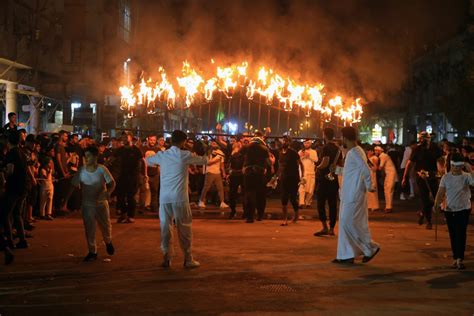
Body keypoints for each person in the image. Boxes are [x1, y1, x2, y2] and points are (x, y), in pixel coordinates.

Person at [146, 130, 208, 268]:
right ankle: (188, 258)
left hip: (165, 197)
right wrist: (199, 149)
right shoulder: (184, 155)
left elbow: (148, 160)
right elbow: (205, 160)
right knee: (184, 227)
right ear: (183, 142)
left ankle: (167, 258)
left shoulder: (163, 155)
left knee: (165, 228)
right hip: (180, 197)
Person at [333, 127, 380, 264]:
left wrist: (370, 186)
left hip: (353, 194)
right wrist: (335, 170)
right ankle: (346, 255)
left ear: (345, 138)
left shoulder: (354, 152)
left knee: (349, 223)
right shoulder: (355, 151)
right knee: (346, 223)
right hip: (349, 193)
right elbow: (350, 171)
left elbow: (366, 169)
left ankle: (370, 248)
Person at [71, 146, 116, 262]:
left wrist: (108, 193)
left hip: (101, 203)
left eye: (89, 156)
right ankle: (92, 251)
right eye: (85, 156)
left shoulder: (102, 169)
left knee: (105, 226)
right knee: (89, 228)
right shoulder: (82, 170)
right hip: (87, 204)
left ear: (95, 157)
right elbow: (73, 185)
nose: (87, 159)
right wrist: (65, 200)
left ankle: (108, 241)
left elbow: (112, 183)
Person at [434, 153, 474, 270]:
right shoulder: (446, 177)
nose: (456, 169)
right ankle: (455, 257)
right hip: (450, 209)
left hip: (464, 209)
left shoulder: (466, 176)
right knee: (453, 234)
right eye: (454, 167)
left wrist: (469, 168)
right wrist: (436, 204)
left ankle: (459, 259)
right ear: (451, 165)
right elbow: (441, 192)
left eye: (459, 167)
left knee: (461, 233)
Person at [402, 131, 442, 229]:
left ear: (429, 138)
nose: (424, 140)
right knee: (425, 198)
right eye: (422, 138)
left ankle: (422, 212)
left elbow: (441, 160)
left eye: (426, 138)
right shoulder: (417, 149)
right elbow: (410, 163)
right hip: (421, 176)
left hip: (433, 175)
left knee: (436, 197)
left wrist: (442, 172)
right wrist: (405, 177)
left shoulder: (435, 147)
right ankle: (428, 221)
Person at [3, 131, 29, 249]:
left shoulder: (12, 153)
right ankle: (22, 239)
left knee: (6, 215)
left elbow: (10, 171)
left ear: (8, 141)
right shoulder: (22, 153)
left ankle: (9, 241)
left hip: (13, 187)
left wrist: (3, 173)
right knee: (17, 214)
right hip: (23, 186)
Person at [115, 132, 146, 223]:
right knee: (120, 196)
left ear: (131, 138)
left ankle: (131, 216)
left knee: (131, 197)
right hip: (121, 177)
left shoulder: (136, 150)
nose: (124, 139)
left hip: (133, 177)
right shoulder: (120, 150)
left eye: (126, 137)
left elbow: (143, 162)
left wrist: (145, 174)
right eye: (123, 137)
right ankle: (123, 214)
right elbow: (112, 159)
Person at [240, 133, 272, 223]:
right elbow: (269, 162)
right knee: (260, 194)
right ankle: (260, 215)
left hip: (248, 172)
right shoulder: (264, 148)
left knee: (250, 193)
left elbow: (237, 154)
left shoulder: (247, 147)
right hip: (260, 172)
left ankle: (250, 216)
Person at [314, 128, 340, 236]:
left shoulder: (326, 148)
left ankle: (324, 226)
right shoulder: (337, 148)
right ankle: (332, 228)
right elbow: (340, 163)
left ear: (324, 135)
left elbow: (325, 162)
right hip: (333, 178)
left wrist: (317, 167)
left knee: (320, 203)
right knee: (332, 204)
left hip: (324, 178)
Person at [279, 136, 304, 226]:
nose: (284, 142)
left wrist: (302, 176)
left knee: (293, 198)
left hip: (293, 178)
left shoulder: (293, 153)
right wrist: (277, 176)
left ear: (289, 142)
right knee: (283, 198)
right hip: (283, 178)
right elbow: (281, 165)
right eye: (283, 141)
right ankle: (285, 219)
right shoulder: (281, 153)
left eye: (286, 141)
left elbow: (301, 164)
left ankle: (296, 215)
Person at [198, 140, 229, 209]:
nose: (214, 144)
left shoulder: (220, 152)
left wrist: (223, 172)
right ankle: (201, 201)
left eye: (215, 143)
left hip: (217, 172)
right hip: (210, 172)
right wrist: (216, 159)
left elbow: (222, 164)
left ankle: (222, 202)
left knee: (220, 188)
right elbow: (207, 163)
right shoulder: (208, 152)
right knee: (206, 187)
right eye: (212, 143)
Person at [374, 146, 397, 213]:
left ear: (379, 151)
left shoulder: (383, 156)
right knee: (387, 190)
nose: (375, 152)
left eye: (376, 150)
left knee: (388, 190)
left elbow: (380, 168)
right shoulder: (383, 156)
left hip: (390, 174)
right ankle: (388, 206)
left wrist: (374, 164)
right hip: (389, 174)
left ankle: (389, 207)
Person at [298, 139, 318, 208]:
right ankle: (301, 202)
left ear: (310, 144)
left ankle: (308, 202)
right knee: (302, 187)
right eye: (305, 143)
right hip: (303, 173)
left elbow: (316, 160)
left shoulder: (313, 152)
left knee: (310, 189)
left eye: (308, 143)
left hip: (311, 173)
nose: (306, 144)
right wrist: (302, 156)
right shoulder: (300, 151)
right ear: (303, 144)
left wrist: (309, 156)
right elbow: (297, 161)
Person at [228, 141, 244, 219]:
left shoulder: (233, 156)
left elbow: (229, 166)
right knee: (243, 193)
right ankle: (244, 212)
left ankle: (233, 211)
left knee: (232, 194)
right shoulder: (242, 156)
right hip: (240, 175)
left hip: (235, 175)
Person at [366, 146, 380, 212]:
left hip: (372, 174)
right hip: (367, 175)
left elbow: (375, 168)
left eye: (371, 151)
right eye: (368, 151)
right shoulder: (366, 158)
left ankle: (375, 206)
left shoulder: (375, 158)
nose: (369, 152)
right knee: (368, 191)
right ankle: (369, 205)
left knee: (373, 190)